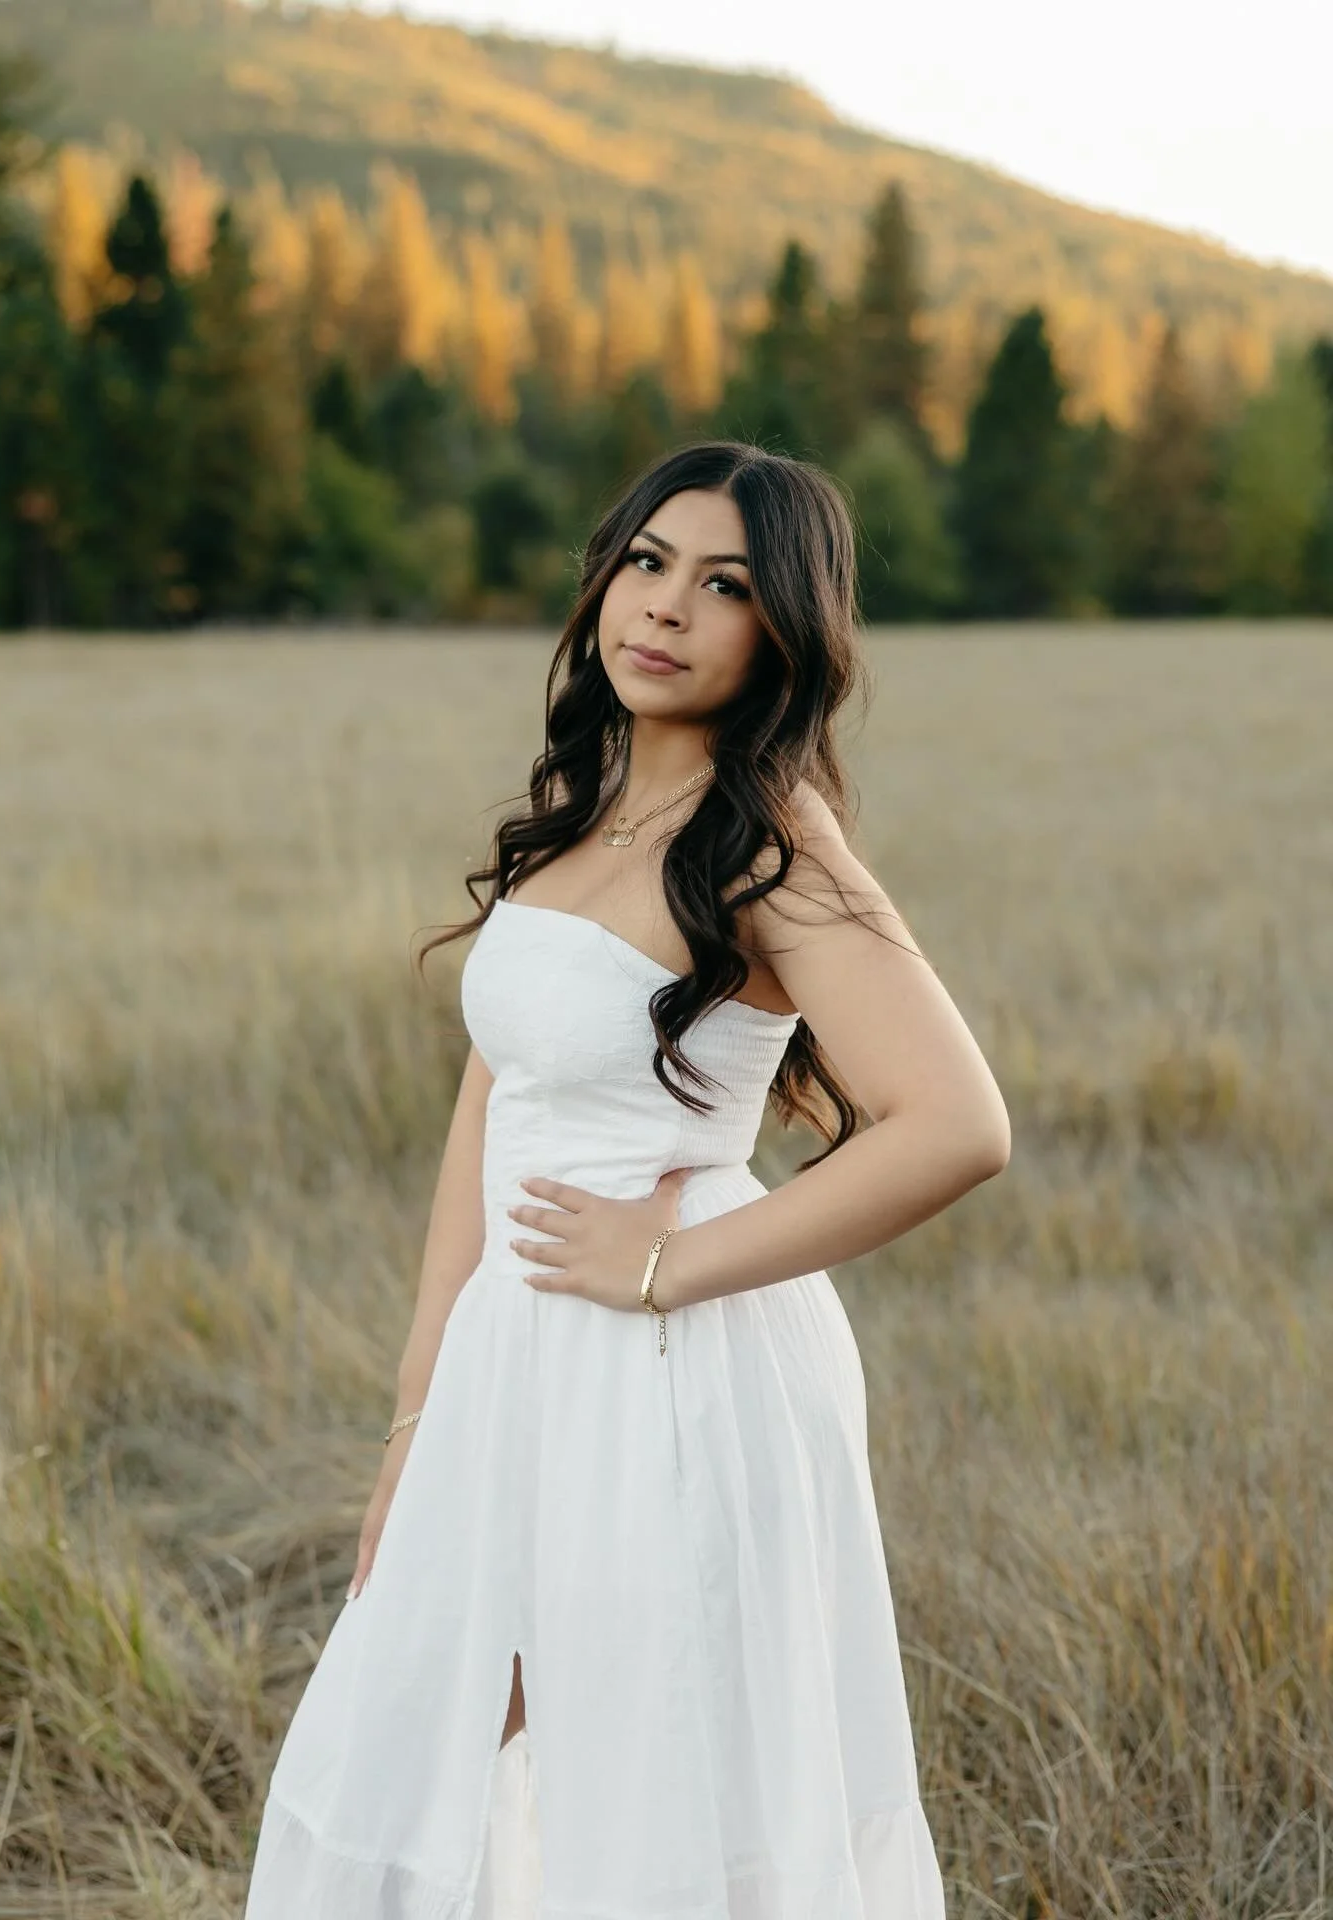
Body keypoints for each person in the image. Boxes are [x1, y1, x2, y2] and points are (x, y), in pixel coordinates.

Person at [242, 439, 1010, 1920]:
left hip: (673, 1362)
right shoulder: (580, 804)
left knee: (649, 1776)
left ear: (782, 630)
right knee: (400, 1732)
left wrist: (659, 1267)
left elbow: (955, 1122)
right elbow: (497, 1096)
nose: (665, 607)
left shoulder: (772, 840)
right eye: (648, 563)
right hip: (509, 1357)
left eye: (723, 585)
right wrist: (418, 1410)